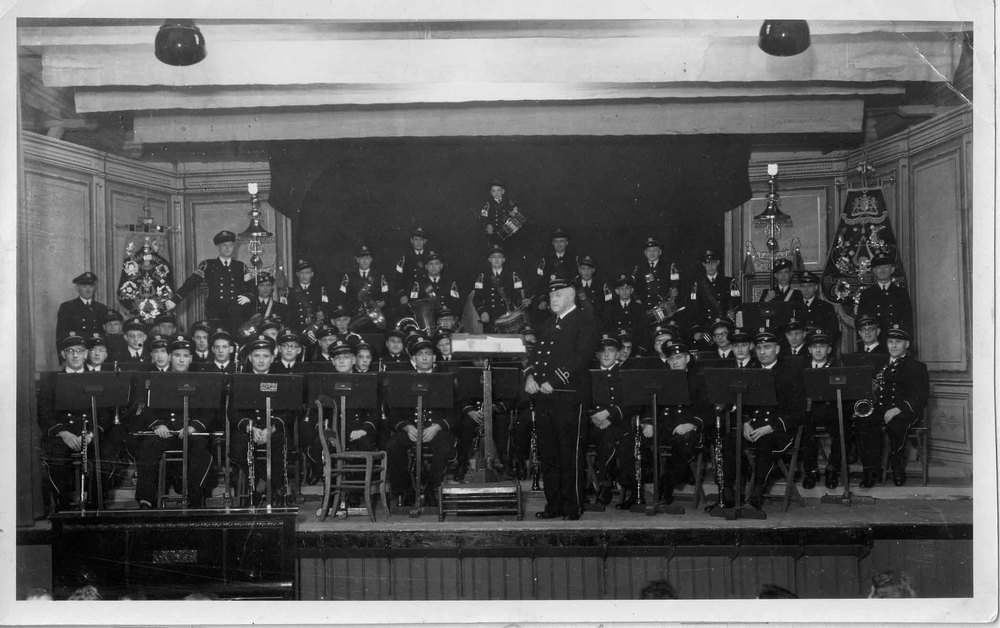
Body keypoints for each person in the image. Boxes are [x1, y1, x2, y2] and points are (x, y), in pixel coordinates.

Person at [524, 278, 598, 520]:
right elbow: (536, 355)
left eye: (558, 295)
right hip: (544, 398)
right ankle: (553, 504)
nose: (552, 299)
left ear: (571, 296)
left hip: (569, 397)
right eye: (551, 295)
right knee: (549, 454)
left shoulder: (585, 321)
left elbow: (581, 358)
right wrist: (530, 375)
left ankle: (572, 506)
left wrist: (554, 381)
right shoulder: (548, 323)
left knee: (570, 453)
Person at [720, 330, 806, 511]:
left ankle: (755, 496)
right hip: (753, 429)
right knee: (728, 440)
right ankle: (726, 494)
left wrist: (771, 427)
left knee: (765, 442)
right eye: (759, 348)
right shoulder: (751, 371)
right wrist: (744, 423)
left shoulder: (790, 374)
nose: (762, 352)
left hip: (778, 431)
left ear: (777, 349)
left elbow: (798, 411)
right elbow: (743, 405)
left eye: (767, 347)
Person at [132, 335, 216, 509]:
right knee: (147, 446)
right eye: (177, 355)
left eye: (185, 356)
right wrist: (158, 424)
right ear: (170, 356)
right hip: (166, 432)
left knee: (201, 449)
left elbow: (208, 410)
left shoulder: (201, 380)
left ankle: (196, 498)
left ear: (191, 358)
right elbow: (147, 409)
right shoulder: (157, 379)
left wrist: (194, 426)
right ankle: (146, 499)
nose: (181, 360)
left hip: (190, 432)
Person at [38, 333, 117, 510]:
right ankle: (63, 507)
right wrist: (64, 433)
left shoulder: (97, 378)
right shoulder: (50, 381)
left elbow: (105, 415)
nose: (75, 355)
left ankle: (96, 505)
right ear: (63, 354)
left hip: (89, 434)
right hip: (62, 435)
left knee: (106, 452)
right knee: (55, 455)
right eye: (70, 351)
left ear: (86, 353)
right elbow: (44, 413)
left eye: (79, 351)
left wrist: (91, 434)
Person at [386, 335, 457, 508]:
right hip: (411, 431)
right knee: (393, 445)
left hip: (436, 431)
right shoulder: (403, 381)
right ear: (413, 359)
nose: (424, 357)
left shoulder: (445, 380)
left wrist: (437, 427)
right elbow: (394, 414)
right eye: (419, 354)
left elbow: (456, 413)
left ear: (434, 358)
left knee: (445, 446)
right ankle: (406, 490)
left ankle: (432, 489)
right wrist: (407, 427)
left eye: (428, 354)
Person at [855, 324, 928, 487]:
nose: (893, 346)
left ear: (907, 344)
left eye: (898, 342)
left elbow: (920, 397)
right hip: (881, 409)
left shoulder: (917, 366)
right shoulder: (880, 364)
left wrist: (896, 409)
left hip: (904, 411)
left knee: (896, 425)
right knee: (863, 422)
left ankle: (897, 467)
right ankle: (871, 471)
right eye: (890, 342)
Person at [636, 341, 706, 505]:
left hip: (689, 428)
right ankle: (635, 492)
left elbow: (707, 409)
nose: (675, 362)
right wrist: (648, 423)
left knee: (685, 442)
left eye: (679, 357)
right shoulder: (661, 379)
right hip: (664, 428)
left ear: (687, 359)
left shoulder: (698, 380)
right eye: (671, 359)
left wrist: (691, 424)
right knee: (637, 440)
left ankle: (666, 484)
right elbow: (651, 405)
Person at [230, 335, 287, 506]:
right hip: (249, 429)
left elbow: (289, 412)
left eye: (265, 356)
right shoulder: (240, 380)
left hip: (274, 430)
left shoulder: (282, 379)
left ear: (273, 358)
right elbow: (233, 412)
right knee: (239, 447)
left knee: (280, 444)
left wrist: (271, 429)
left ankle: (264, 489)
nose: (261, 360)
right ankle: (260, 485)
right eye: (256, 356)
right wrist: (251, 428)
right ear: (249, 357)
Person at [168, 230, 253, 333]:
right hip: (215, 312)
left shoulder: (241, 266)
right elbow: (190, 283)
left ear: (234, 247)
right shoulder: (207, 265)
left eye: (230, 245)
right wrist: (174, 300)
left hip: (236, 312)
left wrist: (248, 297)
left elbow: (252, 288)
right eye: (224, 245)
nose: (227, 248)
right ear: (218, 247)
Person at [585, 335, 629, 507]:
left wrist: (609, 415)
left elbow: (631, 403)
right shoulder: (588, 374)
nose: (606, 354)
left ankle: (605, 485)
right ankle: (582, 485)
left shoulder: (625, 373)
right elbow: (583, 400)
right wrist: (594, 416)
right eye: (602, 351)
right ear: (597, 354)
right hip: (592, 422)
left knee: (608, 439)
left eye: (611, 350)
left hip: (617, 423)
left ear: (617, 353)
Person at [800, 330, 846, 490]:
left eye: (822, 346)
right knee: (804, 430)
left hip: (830, 410)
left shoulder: (837, 366)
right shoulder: (802, 368)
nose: (818, 350)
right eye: (814, 346)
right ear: (809, 349)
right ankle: (811, 471)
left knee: (842, 429)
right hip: (809, 411)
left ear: (829, 349)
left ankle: (832, 468)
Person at [472, 244, 530, 333]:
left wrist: (523, 302)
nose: (496, 260)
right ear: (489, 260)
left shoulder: (512, 275)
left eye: (499, 257)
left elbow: (517, 295)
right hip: (489, 317)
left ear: (504, 259)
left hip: (508, 317)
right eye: (493, 257)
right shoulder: (482, 276)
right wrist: (482, 312)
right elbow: (477, 298)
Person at [855, 253, 913, 339]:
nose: (882, 271)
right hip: (874, 341)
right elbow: (861, 323)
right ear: (874, 271)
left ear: (892, 269)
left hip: (894, 340)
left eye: (886, 267)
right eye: (879, 267)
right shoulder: (866, 294)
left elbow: (907, 321)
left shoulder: (901, 293)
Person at [687, 249, 741, 336]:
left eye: (713, 263)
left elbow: (737, 305)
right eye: (707, 263)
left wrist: (732, 314)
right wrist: (696, 329)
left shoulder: (729, 282)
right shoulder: (697, 285)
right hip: (706, 329)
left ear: (718, 263)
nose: (710, 266)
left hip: (725, 327)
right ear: (703, 264)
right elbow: (693, 309)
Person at [338, 244, 390, 332]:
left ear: (371, 259)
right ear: (357, 260)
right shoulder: (348, 276)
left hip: (374, 319)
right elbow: (342, 296)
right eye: (362, 258)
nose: (364, 261)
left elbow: (386, 295)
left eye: (367, 258)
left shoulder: (379, 276)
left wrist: (382, 303)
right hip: (355, 317)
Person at [56, 272, 109, 351]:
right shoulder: (67, 307)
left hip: (96, 353)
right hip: (76, 352)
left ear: (95, 288)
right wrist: (62, 356)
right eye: (84, 286)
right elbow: (61, 336)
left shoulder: (102, 308)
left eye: (91, 286)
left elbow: (106, 335)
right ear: (77, 288)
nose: (88, 290)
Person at [283, 258, 329, 334]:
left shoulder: (320, 291)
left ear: (312, 274)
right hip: (296, 330)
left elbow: (325, 308)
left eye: (307, 273)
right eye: (302, 273)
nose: (304, 276)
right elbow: (285, 313)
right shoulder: (289, 292)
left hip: (315, 330)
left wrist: (322, 314)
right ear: (297, 274)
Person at [632, 237, 678, 308]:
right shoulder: (639, 268)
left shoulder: (669, 266)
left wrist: (673, 293)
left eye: (655, 250)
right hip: (644, 306)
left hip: (664, 306)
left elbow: (675, 285)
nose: (652, 253)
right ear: (645, 253)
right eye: (649, 251)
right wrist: (637, 299)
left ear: (660, 252)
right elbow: (634, 286)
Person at [393, 226, 432, 310]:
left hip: (427, 296)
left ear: (425, 241)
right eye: (416, 240)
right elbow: (398, 278)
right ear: (411, 241)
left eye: (421, 240)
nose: (418, 243)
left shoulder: (430, 257)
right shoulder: (404, 258)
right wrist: (402, 295)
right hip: (409, 297)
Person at [797, 271, 840, 347]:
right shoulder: (794, 306)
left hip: (819, 348)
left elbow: (834, 333)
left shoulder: (826, 307)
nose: (806, 289)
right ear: (799, 288)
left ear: (816, 287)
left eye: (809, 286)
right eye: (803, 286)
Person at [603, 273, 645, 344]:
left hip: (635, 346)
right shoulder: (610, 311)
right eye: (621, 289)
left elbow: (644, 333)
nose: (624, 291)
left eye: (627, 288)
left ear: (632, 290)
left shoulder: (640, 309)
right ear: (617, 291)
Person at [479, 177, 521, 245]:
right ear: (491, 192)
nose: (496, 193)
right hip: (494, 231)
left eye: (498, 190)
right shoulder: (488, 204)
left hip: (507, 230)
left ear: (503, 191)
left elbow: (516, 213)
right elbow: (483, 217)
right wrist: (488, 226)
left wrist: (514, 212)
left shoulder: (508, 202)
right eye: (494, 191)